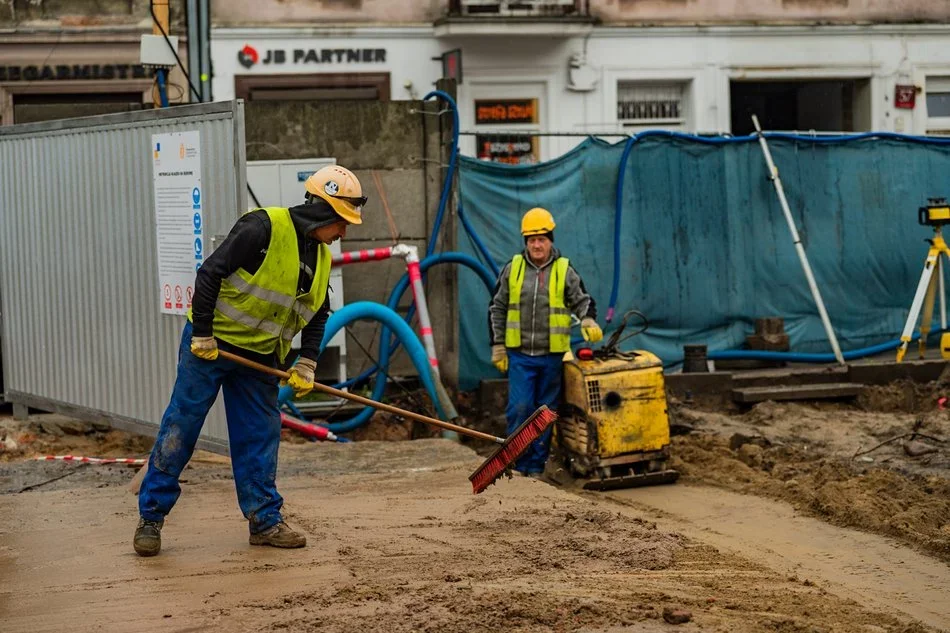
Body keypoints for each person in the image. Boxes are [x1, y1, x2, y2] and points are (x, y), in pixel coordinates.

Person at [133, 165, 366, 556]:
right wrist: (203, 333)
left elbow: (318, 312)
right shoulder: (262, 228)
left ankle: (265, 520)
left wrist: (307, 362)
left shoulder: (321, 257)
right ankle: (151, 516)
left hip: (259, 357)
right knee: (182, 426)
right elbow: (209, 274)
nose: (343, 233)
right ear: (323, 212)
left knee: (259, 435)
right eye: (341, 222)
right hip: (211, 347)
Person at [488, 207, 603, 477]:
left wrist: (588, 320)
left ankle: (535, 468)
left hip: (552, 358)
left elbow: (583, 301)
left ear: (550, 240)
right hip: (520, 357)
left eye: (541, 239)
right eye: (531, 239)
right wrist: (498, 346)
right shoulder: (513, 269)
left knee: (544, 414)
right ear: (525, 242)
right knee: (520, 408)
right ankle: (516, 465)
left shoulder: (564, 270)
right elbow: (497, 307)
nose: (536, 244)